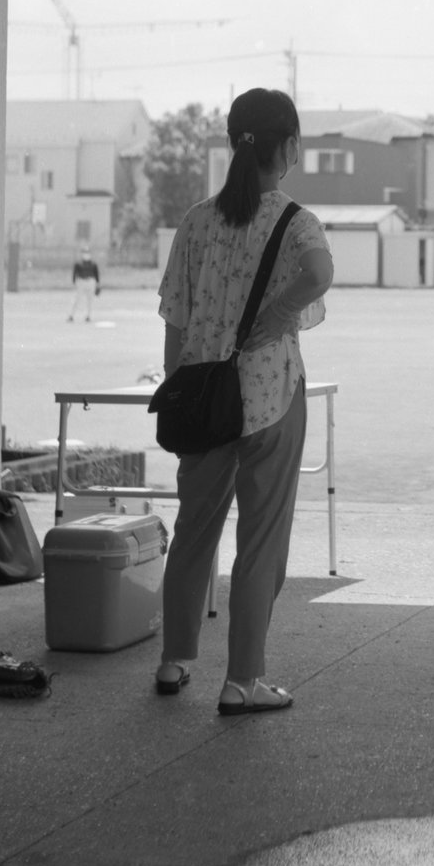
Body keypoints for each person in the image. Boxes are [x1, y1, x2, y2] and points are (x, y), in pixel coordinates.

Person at [153, 89, 334, 714]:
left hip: (203, 399)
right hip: (270, 400)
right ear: (287, 147)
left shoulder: (196, 221)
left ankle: (174, 659)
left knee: (193, 533)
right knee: (260, 542)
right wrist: (275, 318)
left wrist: (180, 382)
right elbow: (319, 273)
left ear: (235, 143)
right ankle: (242, 681)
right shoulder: (294, 220)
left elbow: (175, 319)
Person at [69, 251, 100, 321]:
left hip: (91, 281)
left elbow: (96, 274)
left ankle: (88, 316)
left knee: (90, 300)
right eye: (85, 253)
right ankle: (71, 315)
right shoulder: (78, 263)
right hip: (81, 281)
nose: (86, 255)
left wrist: (97, 284)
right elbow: (75, 273)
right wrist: (74, 282)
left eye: (88, 253)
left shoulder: (93, 264)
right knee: (77, 299)